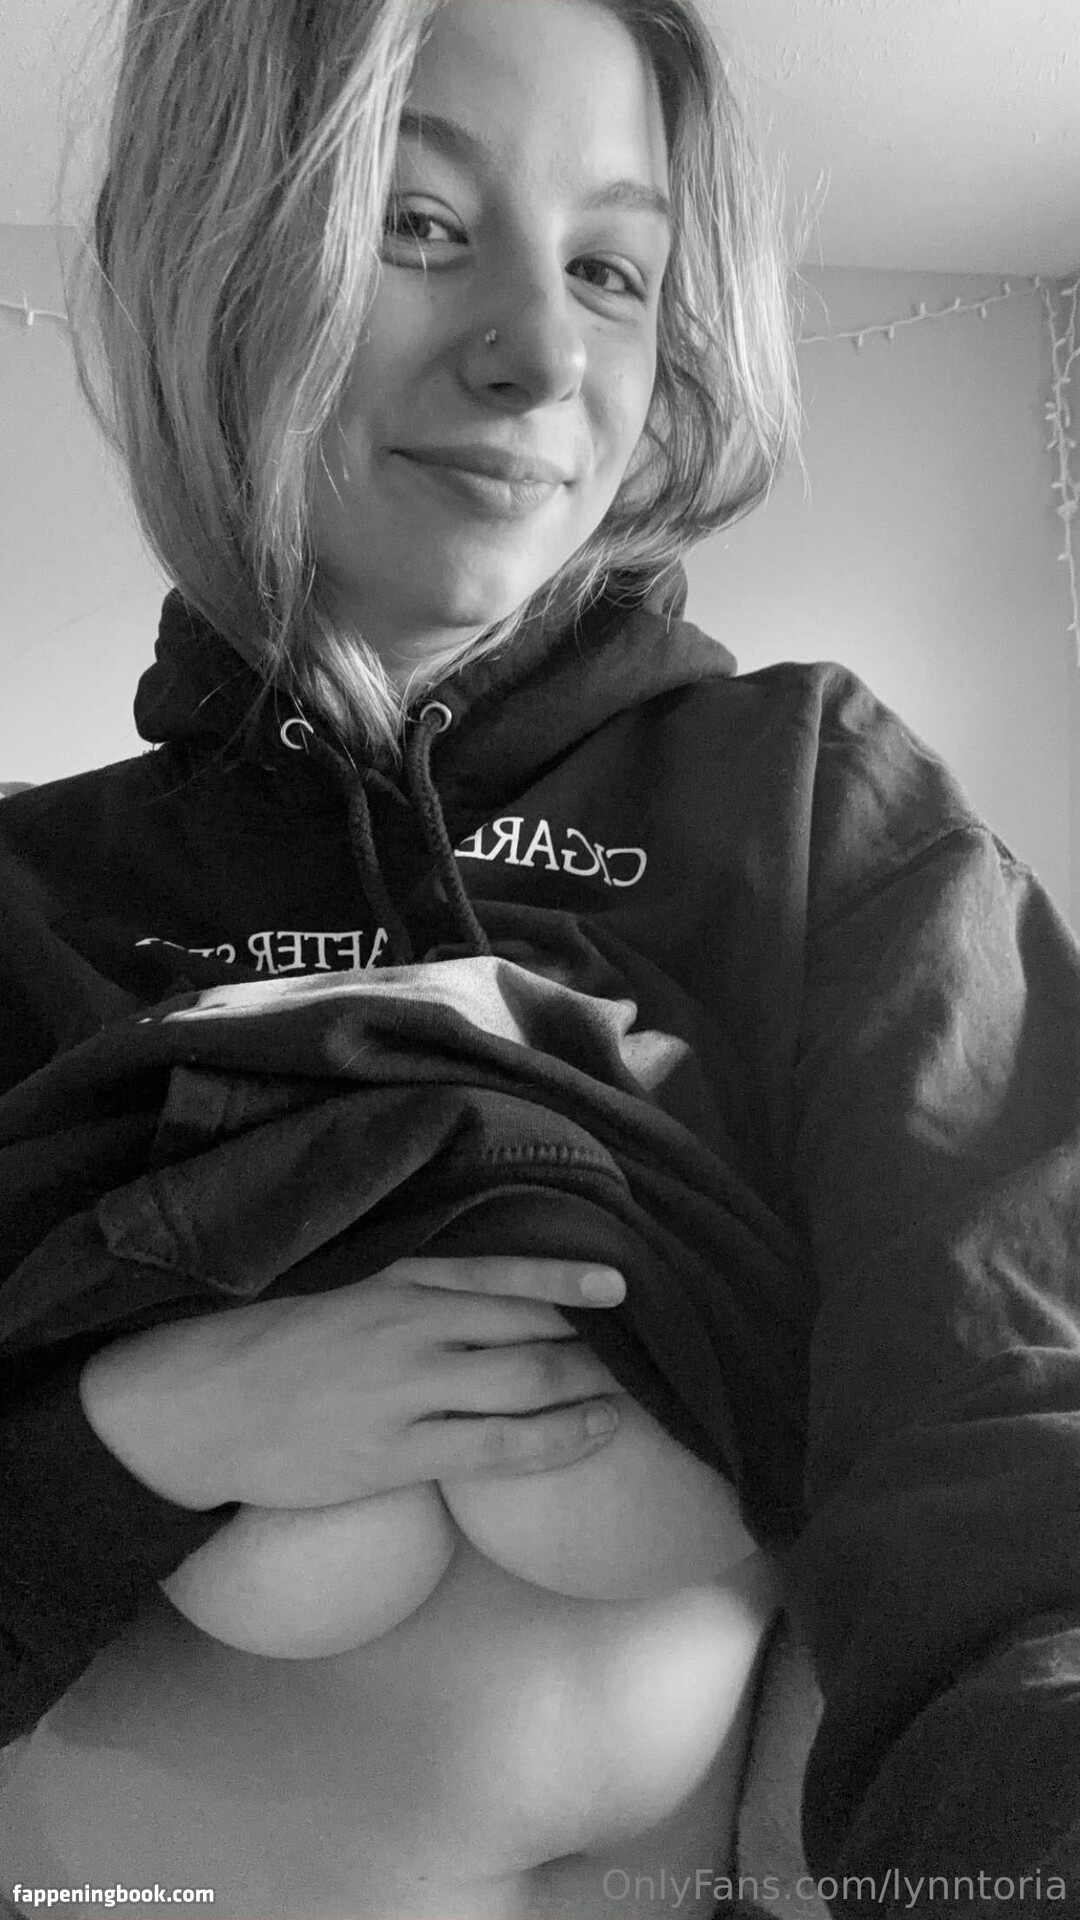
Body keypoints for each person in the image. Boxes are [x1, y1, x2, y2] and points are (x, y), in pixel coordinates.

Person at [2, 1, 1079, 1917]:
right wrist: (122, 1443)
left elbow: (1014, 1437)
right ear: (211, 265)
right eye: (417, 227)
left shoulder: (814, 802)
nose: (542, 358)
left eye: (610, 269)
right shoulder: (28, 891)